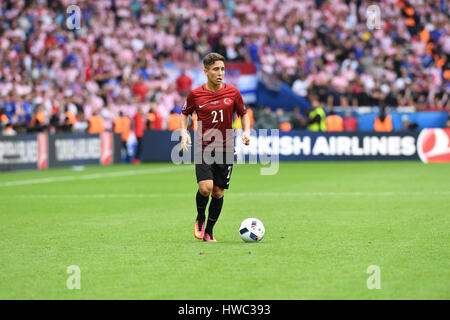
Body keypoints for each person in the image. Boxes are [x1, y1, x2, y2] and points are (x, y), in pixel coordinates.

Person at [180, 52, 251, 242]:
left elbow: (243, 113)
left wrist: (246, 131)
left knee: (218, 192)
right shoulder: (196, 94)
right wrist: (183, 131)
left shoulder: (233, 93)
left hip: (226, 147)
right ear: (206, 71)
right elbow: (184, 113)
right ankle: (201, 217)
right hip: (203, 146)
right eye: (215, 69)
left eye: (222, 69)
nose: (220, 73)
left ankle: (209, 231)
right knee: (205, 188)